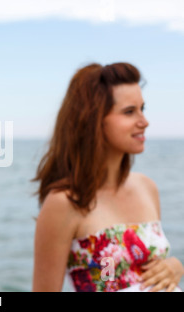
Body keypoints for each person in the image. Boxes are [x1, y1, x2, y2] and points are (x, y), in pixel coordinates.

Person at [32, 62, 184, 292]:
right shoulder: (66, 203)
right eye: (129, 111)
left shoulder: (147, 187)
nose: (144, 121)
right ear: (93, 119)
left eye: (143, 109)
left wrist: (174, 267)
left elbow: (145, 273)